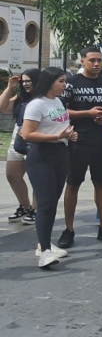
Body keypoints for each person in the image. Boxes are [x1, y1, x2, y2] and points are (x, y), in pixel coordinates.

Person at [60, 46, 102, 248]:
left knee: (101, 182)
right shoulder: (71, 83)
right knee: (73, 183)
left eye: (99, 60)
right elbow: (60, 112)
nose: (96, 64)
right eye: (92, 60)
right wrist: (88, 113)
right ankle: (68, 229)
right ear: (82, 60)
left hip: (101, 139)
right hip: (77, 139)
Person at [21, 67, 77, 267]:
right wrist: (57, 136)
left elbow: (59, 127)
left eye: (65, 81)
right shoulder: (36, 105)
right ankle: (43, 251)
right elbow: (27, 134)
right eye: (61, 81)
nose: (64, 85)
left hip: (60, 154)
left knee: (53, 202)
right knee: (45, 204)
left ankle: (45, 243)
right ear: (50, 82)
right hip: (41, 155)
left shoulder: (58, 102)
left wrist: (69, 134)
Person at [0, 68, 38, 224]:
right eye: (24, 81)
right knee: (12, 175)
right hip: (18, 136)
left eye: (29, 81)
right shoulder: (20, 98)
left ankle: (36, 209)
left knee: (36, 177)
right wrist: (10, 87)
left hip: (35, 137)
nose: (26, 84)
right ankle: (25, 206)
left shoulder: (43, 98)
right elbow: (2, 107)